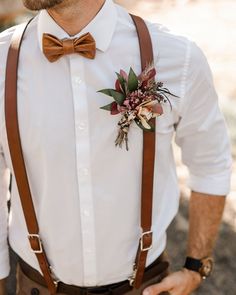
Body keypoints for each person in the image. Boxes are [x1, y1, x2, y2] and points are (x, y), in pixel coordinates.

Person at [0, 0, 232, 294]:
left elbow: (210, 162)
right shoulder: (2, 61)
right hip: (34, 286)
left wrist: (196, 267)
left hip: (145, 286)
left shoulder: (177, 57)